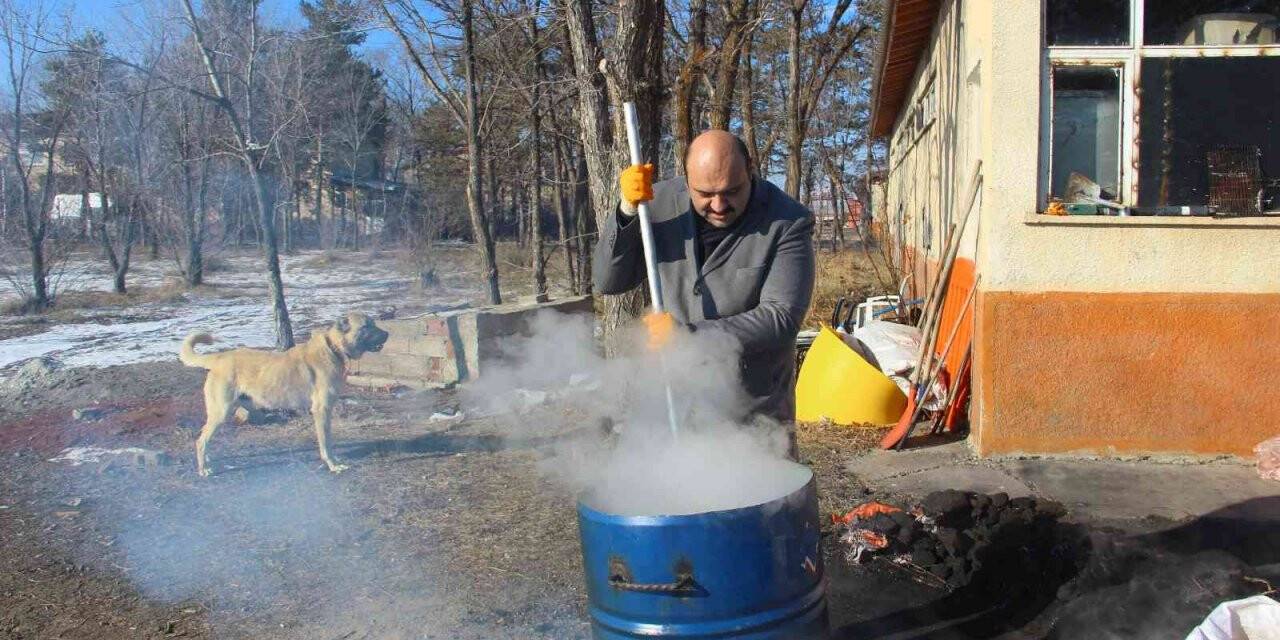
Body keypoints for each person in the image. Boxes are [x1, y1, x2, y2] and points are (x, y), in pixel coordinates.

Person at [593, 129, 816, 437]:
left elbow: (781, 317)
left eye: (732, 191)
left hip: (753, 413)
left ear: (750, 170)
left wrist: (691, 336)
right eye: (706, 194)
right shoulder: (656, 204)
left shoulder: (787, 221)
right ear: (686, 180)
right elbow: (608, 281)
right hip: (674, 402)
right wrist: (626, 212)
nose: (719, 205)